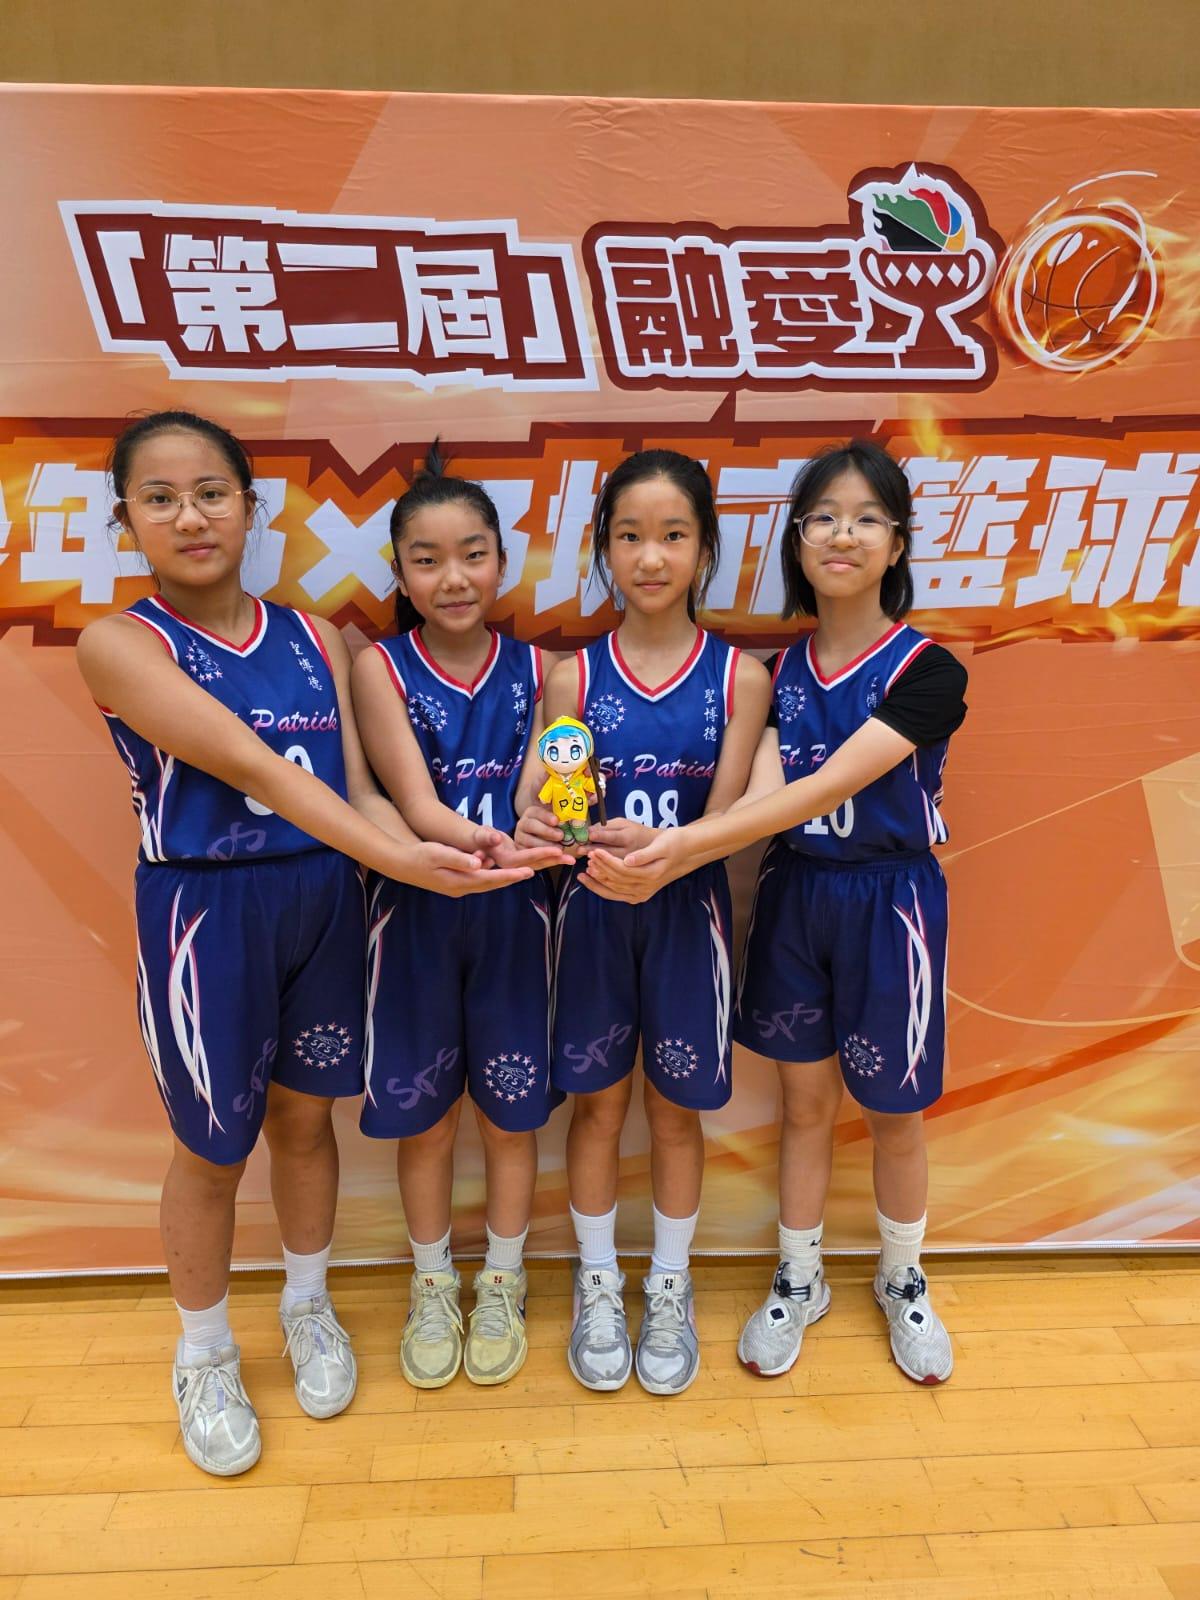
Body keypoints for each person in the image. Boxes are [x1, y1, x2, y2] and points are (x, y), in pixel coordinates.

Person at [77, 412, 532, 1475]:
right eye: (159, 499)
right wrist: (402, 862)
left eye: (211, 493)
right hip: (206, 912)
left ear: (251, 508)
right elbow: (259, 770)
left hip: (324, 900)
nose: (190, 516)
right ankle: (203, 1352)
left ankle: (308, 1304)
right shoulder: (122, 643)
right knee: (210, 1147)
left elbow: (358, 790)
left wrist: (442, 843)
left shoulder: (319, 639)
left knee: (305, 1120)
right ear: (126, 519)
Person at [596, 440, 968, 1386]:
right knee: (804, 1103)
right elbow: (759, 807)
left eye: (867, 519)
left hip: (890, 901)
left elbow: (823, 787)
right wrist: (663, 851)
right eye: (823, 518)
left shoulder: (929, 671)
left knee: (895, 1110)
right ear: (797, 542)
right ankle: (800, 1276)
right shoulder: (777, 674)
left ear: (897, 543)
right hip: (797, 895)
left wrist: (676, 847)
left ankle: (903, 1276)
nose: (843, 535)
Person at [517, 449, 770, 1395]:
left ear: (705, 550)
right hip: (591, 917)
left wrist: (669, 852)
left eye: (672, 536)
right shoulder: (572, 677)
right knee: (598, 1107)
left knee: (674, 1112)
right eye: (630, 536)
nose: (651, 557)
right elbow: (541, 800)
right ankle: (596, 1281)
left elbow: (729, 820)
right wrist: (546, 826)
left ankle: (668, 1284)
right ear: (604, 551)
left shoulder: (740, 677)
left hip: (687, 921)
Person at [352, 448, 569, 1390]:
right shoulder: (378, 668)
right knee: (429, 1123)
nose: (453, 577)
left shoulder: (544, 671)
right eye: (428, 559)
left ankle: (505, 1279)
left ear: (502, 562)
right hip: (414, 916)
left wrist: (537, 826)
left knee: (511, 1120)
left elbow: (546, 790)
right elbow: (412, 804)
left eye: (473, 554)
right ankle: (434, 1282)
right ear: (400, 574)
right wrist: (482, 843)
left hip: (519, 920)